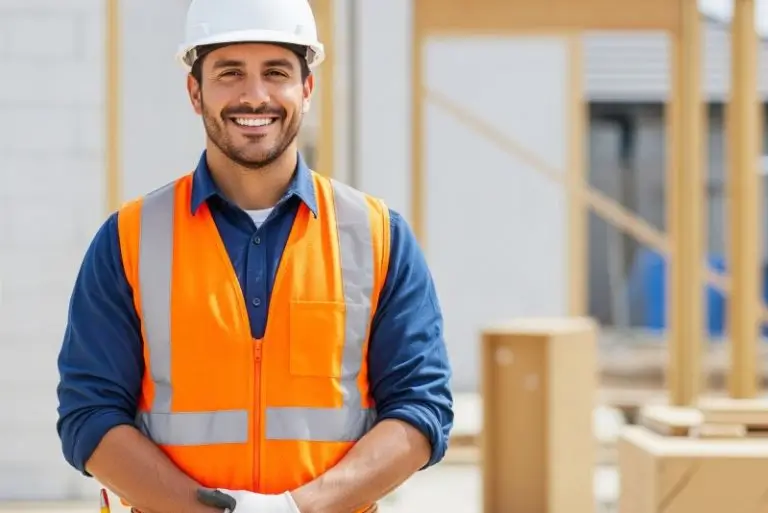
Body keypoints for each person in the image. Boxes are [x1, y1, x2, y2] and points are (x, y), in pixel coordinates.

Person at [55, 0, 454, 512]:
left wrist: (296, 509)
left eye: (276, 72)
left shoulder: (377, 237)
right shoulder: (129, 239)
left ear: (306, 89)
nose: (255, 95)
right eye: (229, 73)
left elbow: (422, 410)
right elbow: (89, 414)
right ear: (194, 91)